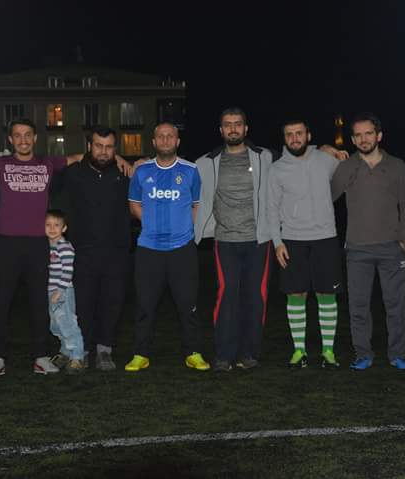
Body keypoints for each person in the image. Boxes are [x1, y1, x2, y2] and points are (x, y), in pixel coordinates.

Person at [0, 118, 131, 377]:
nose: (23, 140)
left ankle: (41, 357)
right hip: (7, 242)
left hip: (37, 243)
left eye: (27, 135)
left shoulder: (48, 163)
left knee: (39, 304)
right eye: (17, 135)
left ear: (35, 138)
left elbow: (82, 156)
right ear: (10, 140)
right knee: (1, 305)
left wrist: (119, 157)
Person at [331, 112, 405, 370]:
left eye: (368, 133)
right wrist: (325, 153)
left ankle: (398, 354)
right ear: (353, 140)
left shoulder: (397, 165)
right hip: (357, 249)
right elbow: (325, 198)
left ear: (379, 136)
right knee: (358, 307)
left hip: (391, 248)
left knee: (395, 306)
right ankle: (363, 354)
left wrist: (404, 242)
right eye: (358, 135)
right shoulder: (346, 167)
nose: (363, 139)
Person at [124, 122, 210, 372]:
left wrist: (183, 228)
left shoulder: (190, 171)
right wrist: (152, 224)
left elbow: (196, 205)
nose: (165, 140)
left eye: (170, 136)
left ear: (177, 141)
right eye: (160, 136)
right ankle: (140, 353)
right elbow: (134, 205)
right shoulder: (142, 171)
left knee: (188, 304)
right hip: (148, 249)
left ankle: (193, 352)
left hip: (182, 249)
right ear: (153, 142)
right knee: (145, 305)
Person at [194, 107, 273, 371]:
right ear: (221, 130)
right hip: (225, 240)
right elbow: (174, 168)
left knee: (255, 297)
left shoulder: (265, 157)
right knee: (227, 296)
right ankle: (224, 355)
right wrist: (140, 161)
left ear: (246, 128)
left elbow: (296, 156)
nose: (233, 129)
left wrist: (325, 148)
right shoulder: (206, 162)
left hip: (258, 240)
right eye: (227, 124)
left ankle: (249, 353)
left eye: (237, 124)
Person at [268, 119, 344, 369]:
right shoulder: (276, 169)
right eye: (289, 134)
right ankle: (299, 350)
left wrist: (332, 150)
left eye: (299, 133)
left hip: (326, 237)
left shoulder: (326, 160)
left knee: (326, 294)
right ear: (284, 139)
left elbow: (344, 179)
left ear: (308, 136)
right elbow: (271, 208)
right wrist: (277, 242)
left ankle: (328, 351)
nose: (294, 138)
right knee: (296, 294)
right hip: (292, 239)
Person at [59, 126, 130, 371]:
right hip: (82, 252)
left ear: (115, 149)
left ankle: (104, 350)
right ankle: (82, 350)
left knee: (112, 303)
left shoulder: (124, 173)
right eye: (98, 146)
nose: (103, 151)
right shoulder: (73, 173)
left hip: (116, 252)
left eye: (109, 147)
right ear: (89, 146)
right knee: (83, 303)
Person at [45, 210, 85, 375]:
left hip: (63, 291)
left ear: (64, 228)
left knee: (68, 324)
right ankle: (65, 352)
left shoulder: (65, 247)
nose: (52, 228)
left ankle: (77, 356)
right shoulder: (47, 247)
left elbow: (68, 272)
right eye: (48, 225)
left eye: (56, 225)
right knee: (56, 325)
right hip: (50, 291)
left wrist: (59, 291)